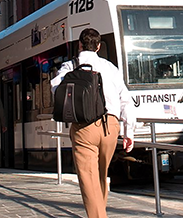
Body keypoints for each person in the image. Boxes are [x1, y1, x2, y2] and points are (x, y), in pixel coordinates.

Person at [51, 28, 135, 218]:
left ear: (80, 45)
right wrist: (129, 132)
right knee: (100, 174)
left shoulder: (69, 67)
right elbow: (125, 101)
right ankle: (100, 212)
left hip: (83, 127)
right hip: (111, 126)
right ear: (98, 46)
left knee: (88, 178)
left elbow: (56, 90)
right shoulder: (110, 68)